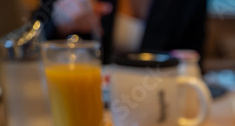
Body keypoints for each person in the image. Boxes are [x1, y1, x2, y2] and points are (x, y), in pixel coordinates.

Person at [34, 0, 207, 64]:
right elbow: (30, 35)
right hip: (85, 103)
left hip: (158, 104)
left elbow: (192, 62)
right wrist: (59, 23)